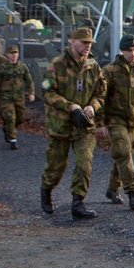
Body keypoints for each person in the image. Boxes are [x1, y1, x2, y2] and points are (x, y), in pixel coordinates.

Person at [40, 27, 106, 219]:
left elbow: (101, 92)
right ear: (72, 41)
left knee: (84, 163)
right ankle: (46, 190)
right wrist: (71, 107)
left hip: (84, 126)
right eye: (83, 42)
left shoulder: (93, 66)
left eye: (89, 43)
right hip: (60, 125)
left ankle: (78, 202)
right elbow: (47, 93)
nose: (87, 46)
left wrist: (93, 106)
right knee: (56, 166)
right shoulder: (57, 65)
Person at [96, 34, 134, 210]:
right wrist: (99, 123)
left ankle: (112, 189)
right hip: (115, 120)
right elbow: (100, 97)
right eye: (129, 50)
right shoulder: (110, 71)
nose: (132, 54)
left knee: (124, 155)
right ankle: (133, 193)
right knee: (122, 151)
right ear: (122, 51)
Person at [0, 45, 34, 150]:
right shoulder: (2, 68)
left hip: (19, 97)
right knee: (11, 117)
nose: (14, 55)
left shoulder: (22, 67)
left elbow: (29, 81)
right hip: (6, 97)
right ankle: (13, 139)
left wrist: (31, 93)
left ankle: (7, 128)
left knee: (21, 118)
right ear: (7, 54)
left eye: (15, 53)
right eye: (12, 53)